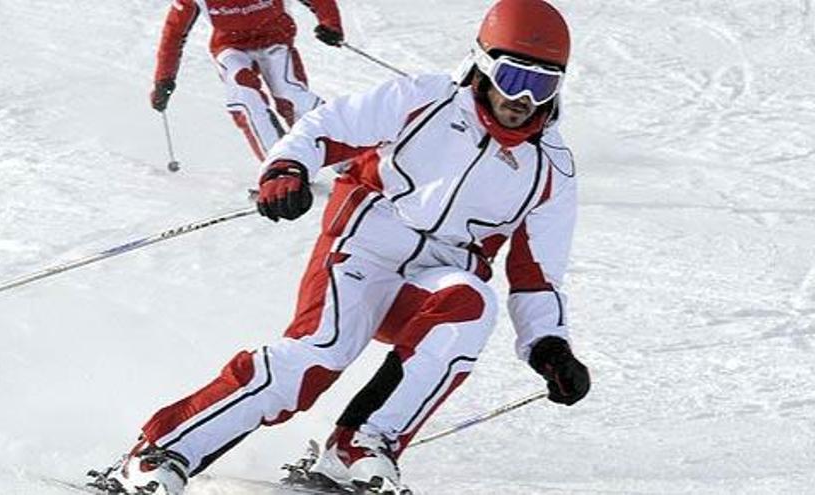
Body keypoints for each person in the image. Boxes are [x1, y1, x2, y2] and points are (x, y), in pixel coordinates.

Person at [97, 1, 590, 493]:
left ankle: (358, 449)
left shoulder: (551, 168)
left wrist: (549, 345)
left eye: (541, 83)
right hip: (364, 249)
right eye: (511, 77)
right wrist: (287, 168)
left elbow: (537, 276)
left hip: (435, 277)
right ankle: (160, 451)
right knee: (319, 355)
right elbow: (326, 127)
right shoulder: (426, 99)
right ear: (482, 65)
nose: (523, 97)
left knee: (472, 304)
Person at [149, 0, 344, 162]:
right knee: (243, 93)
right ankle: (281, 166)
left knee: (289, 92)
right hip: (231, 46)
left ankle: (351, 160)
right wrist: (163, 79)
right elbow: (173, 34)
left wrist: (330, 24)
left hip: (276, 39)